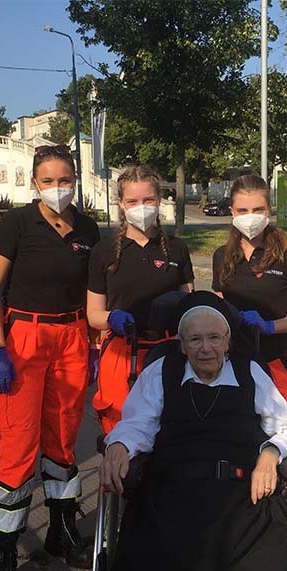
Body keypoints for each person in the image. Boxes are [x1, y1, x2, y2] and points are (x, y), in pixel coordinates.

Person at [98, 291, 287, 571]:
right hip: (170, 498)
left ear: (227, 341)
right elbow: (137, 424)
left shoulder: (249, 373)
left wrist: (271, 452)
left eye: (214, 338)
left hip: (242, 499)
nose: (206, 348)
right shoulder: (161, 371)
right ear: (182, 345)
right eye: (195, 340)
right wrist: (118, 445)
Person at [0, 144, 100, 571]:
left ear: (75, 179)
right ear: (34, 183)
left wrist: (92, 343)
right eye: (48, 181)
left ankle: (62, 533)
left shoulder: (86, 228)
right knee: (17, 445)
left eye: (64, 180)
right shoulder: (14, 224)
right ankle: (2, 556)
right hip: (24, 340)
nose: (57, 188)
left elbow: (94, 293)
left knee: (63, 441)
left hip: (71, 337)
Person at [87, 165, 194, 433]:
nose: (141, 207)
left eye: (148, 200)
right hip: (123, 352)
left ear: (158, 201)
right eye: (133, 201)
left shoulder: (177, 248)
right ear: (121, 204)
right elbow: (93, 314)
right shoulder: (104, 251)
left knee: (170, 429)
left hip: (169, 350)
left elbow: (189, 305)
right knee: (119, 429)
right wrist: (112, 317)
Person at [212, 174, 287, 415]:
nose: (250, 216)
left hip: (274, 359)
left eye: (257, 209)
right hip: (232, 360)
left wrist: (270, 327)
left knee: (279, 433)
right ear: (232, 211)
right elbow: (219, 306)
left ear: (268, 210)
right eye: (242, 210)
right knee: (236, 432)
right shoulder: (221, 255)